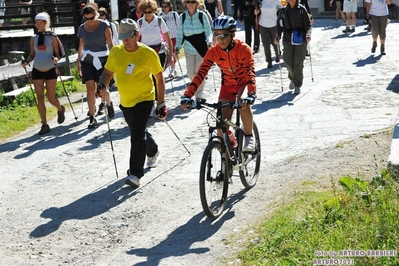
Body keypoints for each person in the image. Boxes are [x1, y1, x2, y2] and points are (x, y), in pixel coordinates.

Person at [98, 18, 168, 188]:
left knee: (136, 136)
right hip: (126, 102)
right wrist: (102, 84)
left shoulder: (148, 53)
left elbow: (159, 79)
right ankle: (153, 150)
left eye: (129, 37)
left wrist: (160, 103)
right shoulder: (116, 52)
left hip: (145, 99)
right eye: (123, 38)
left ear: (137, 34)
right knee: (139, 132)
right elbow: (107, 72)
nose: (126, 41)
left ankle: (135, 173)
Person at [180, 16, 257, 152]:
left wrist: (251, 93)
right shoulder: (214, 51)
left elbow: (249, 72)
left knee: (243, 103)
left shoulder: (243, 49)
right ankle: (229, 157)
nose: (220, 39)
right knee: (221, 128)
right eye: (217, 35)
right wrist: (188, 95)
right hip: (227, 87)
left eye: (224, 35)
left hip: (242, 85)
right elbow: (201, 73)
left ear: (233, 34)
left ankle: (249, 136)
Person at [21, 12, 65, 135]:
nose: (39, 25)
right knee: (40, 98)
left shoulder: (53, 37)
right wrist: (26, 62)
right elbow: (32, 55)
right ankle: (44, 124)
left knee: (50, 98)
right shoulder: (33, 38)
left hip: (50, 70)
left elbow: (58, 53)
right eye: (37, 23)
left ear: (46, 23)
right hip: (37, 71)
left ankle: (60, 109)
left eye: (41, 23)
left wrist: (57, 59)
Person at [77, 2, 114, 129]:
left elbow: (110, 43)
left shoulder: (104, 25)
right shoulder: (82, 28)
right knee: (90, 89)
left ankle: (108, 103)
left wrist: (114, 59)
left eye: (91, 18)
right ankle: (92, 117)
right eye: (86, 19)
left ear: (96, 15)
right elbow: (81, 46)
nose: (89, 21)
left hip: (102, 58)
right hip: (87, 60)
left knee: (102, 88)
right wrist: (78, 63)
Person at [176, 0, 212, 100]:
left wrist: (209, 41)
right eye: (188, 2)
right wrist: (177, 47)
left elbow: (209, 31)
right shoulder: (182, 17)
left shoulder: (202, 15)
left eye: (193, 2)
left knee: (199, 73)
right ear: (185, 4)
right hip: (188, 48)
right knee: (191, 73)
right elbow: (179, 33)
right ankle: (196, 87)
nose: (190, 4)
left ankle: (198, 96)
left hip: (201, 48)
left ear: (196, 3)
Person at [275, 0, 311, 94]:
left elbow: (308, 25)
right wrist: (277, 36)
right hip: (287, 39)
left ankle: (297, 84)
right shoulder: (282, 11)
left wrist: (308, 34)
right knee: (287, 61)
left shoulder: (302, 10)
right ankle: (292, 78)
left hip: (300, 39)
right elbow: (279, 26)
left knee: (298, 62)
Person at [255, 0, 283, 68]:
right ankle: (269, 61)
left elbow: (282, 9)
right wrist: (257, 12)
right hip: (263, 24)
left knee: (275, 42)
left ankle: (277, 55)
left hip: (274, 24)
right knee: (265, 44)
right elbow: (258, 10)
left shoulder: (276, 1)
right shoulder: (261, 1)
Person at [159, 0, 179, 77]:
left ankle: (172, 69)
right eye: (163, 7)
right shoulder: (160, 15)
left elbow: (179, 25)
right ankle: (171, 68)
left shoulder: (174, 14)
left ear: (169, 6)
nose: (164, 8)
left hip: (174, 36)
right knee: (167, 54)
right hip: (165, 38)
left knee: (173, 53)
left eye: (166, 7)